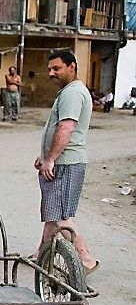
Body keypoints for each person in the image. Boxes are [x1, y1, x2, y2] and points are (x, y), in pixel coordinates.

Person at [32, 50, 98, 272]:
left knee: (60, 217)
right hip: (60, 161)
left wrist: (50, 159)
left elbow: (66, 127)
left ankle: (85, 258)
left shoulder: (72, 93)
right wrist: (45, 156)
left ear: (72, 67)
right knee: (53, 213)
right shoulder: (69, 91)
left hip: (66, 163)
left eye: (56, 68)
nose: (51, 73)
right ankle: (41, 254)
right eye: (50, 69)